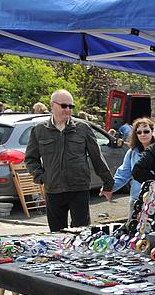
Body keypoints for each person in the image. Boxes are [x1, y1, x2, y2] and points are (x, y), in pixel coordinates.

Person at [25, 89, 114, 232]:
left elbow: (97, 157)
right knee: (56, 234)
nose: (68, 110)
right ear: (53, 105)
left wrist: (108, 183)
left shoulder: (83, 128)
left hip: (78, 188)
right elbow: (30, 159)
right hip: (53, 189)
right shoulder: (39, 130)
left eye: (70, 106)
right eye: (64, 106)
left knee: (81, 233)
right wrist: (42, 177)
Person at [111, 117, 155, 218]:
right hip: (136, 199)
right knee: (133, 230)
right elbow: (123, 174)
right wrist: (110, 188)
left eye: (146, 131)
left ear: (153, 132)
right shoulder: (132, 153)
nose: (142, 134)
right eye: (139, 132)